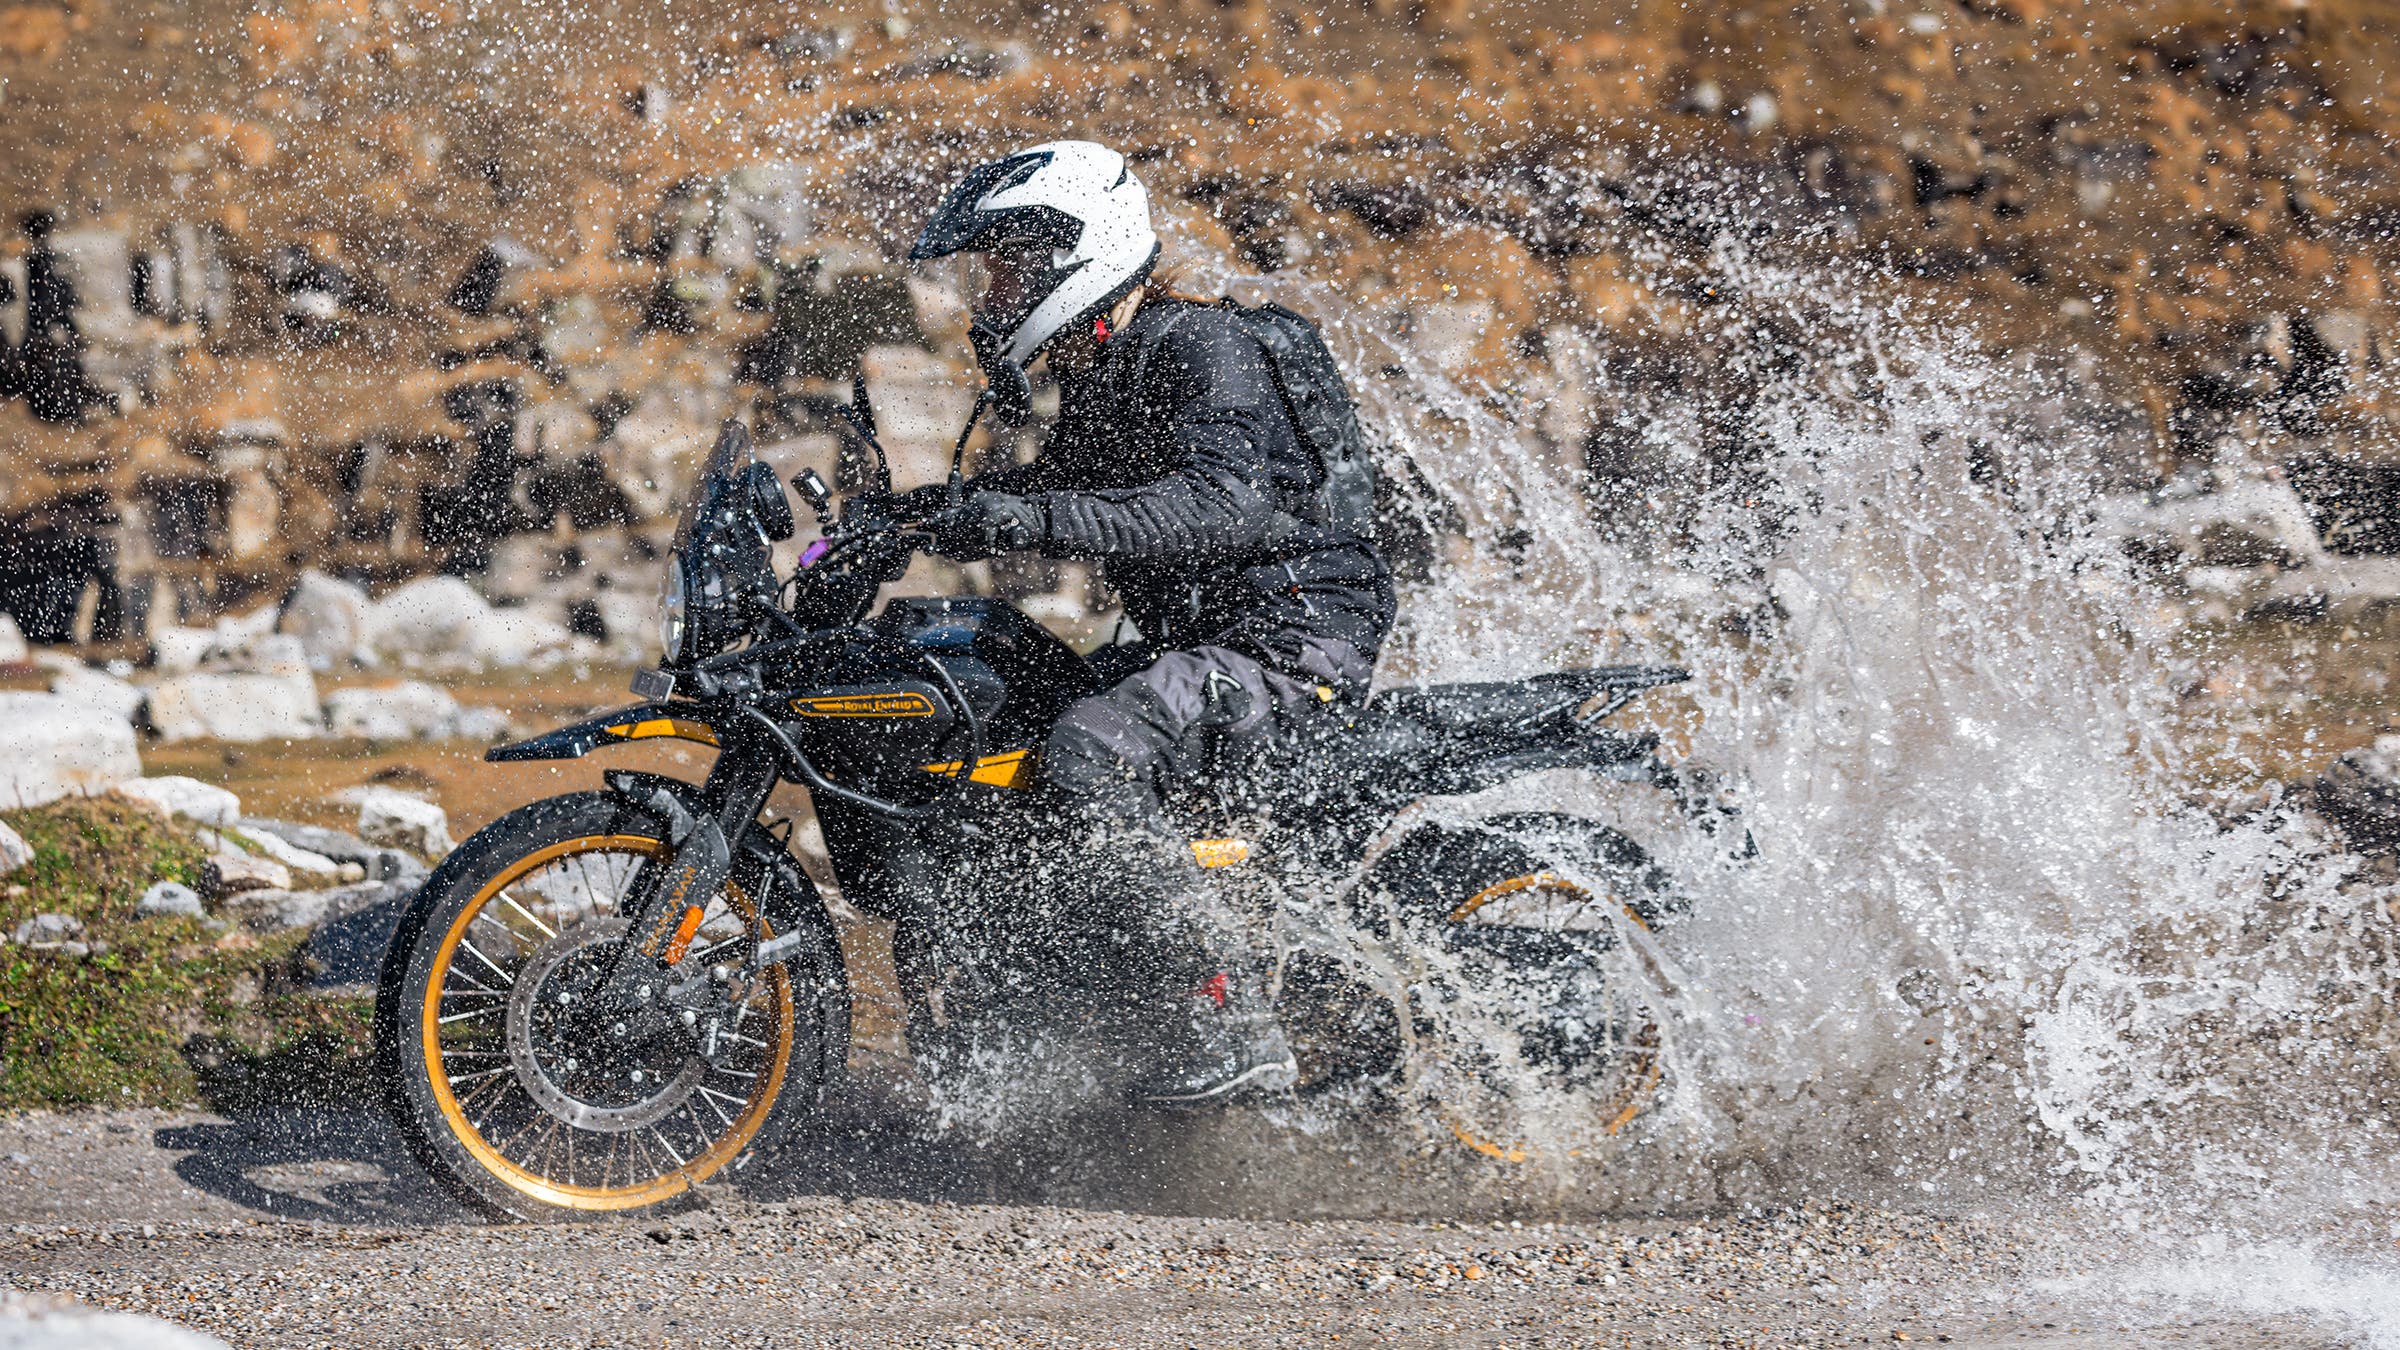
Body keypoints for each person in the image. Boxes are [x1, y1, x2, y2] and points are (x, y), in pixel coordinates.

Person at [904, 140, 1394, 1104]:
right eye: (988, 272)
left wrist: (1028, 517)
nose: (991, 294)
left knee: (1088, 749)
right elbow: (1065, 487)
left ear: (1076, 253)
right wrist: (907, 520)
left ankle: (1229, 1019)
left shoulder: (1198, 344)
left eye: (1009, 268)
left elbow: (1223, 507)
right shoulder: (1105, 363)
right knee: (996, 696)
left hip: (1288, 643)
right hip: (1200, 641)